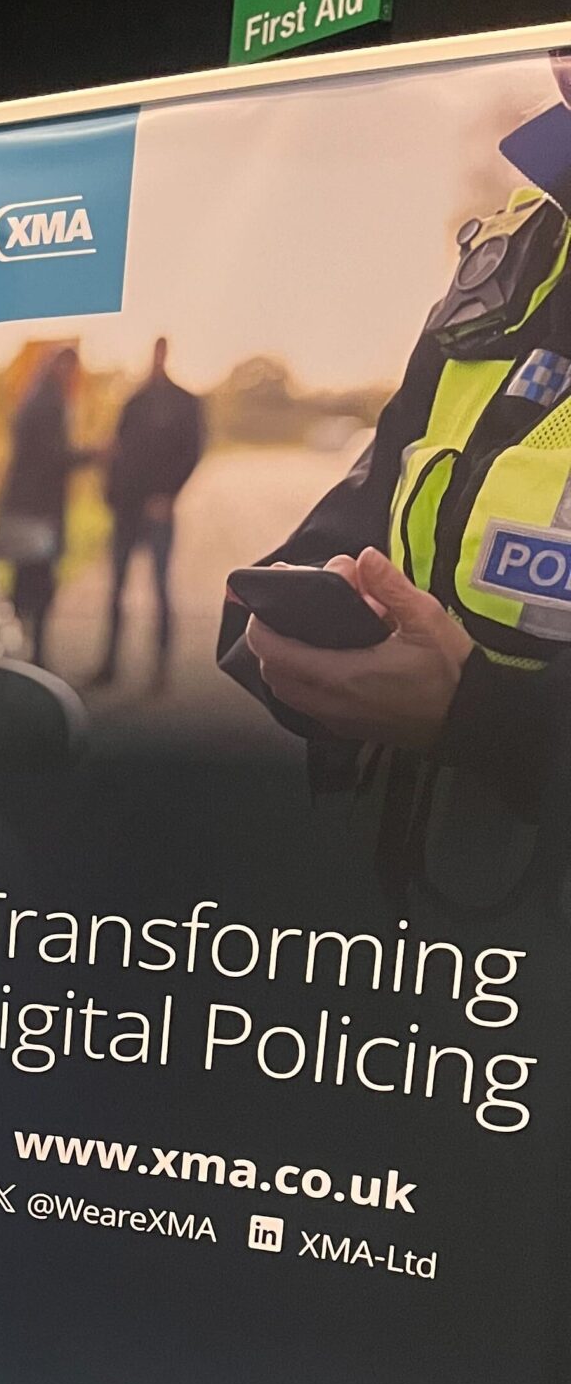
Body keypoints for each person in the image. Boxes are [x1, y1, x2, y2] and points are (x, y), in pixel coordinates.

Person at [219, 56, 571, 872]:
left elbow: (490, 717)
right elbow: (358, 518)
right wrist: (306, 644)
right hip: (400, 903)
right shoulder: (522, 247)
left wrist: (484, 717)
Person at [94, 337, 205, 690]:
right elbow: (118, 449)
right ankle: (109, 665)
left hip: (159, 509)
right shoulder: (135, 401)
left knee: (160, 587)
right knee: (116, 589)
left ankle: (161, 671)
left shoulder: (185, 402)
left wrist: (169, 495)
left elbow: (193, 452)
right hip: (126, 509)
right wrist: (110, 495)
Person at [0, 343, 83, 669]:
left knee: (25, 585)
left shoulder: (36, 398)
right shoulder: (50, 403)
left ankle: (19, 659)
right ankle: (30, 662)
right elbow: (53, 457)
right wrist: (94, 455)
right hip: (37, 514)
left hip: (25, 510)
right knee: (36, 588)